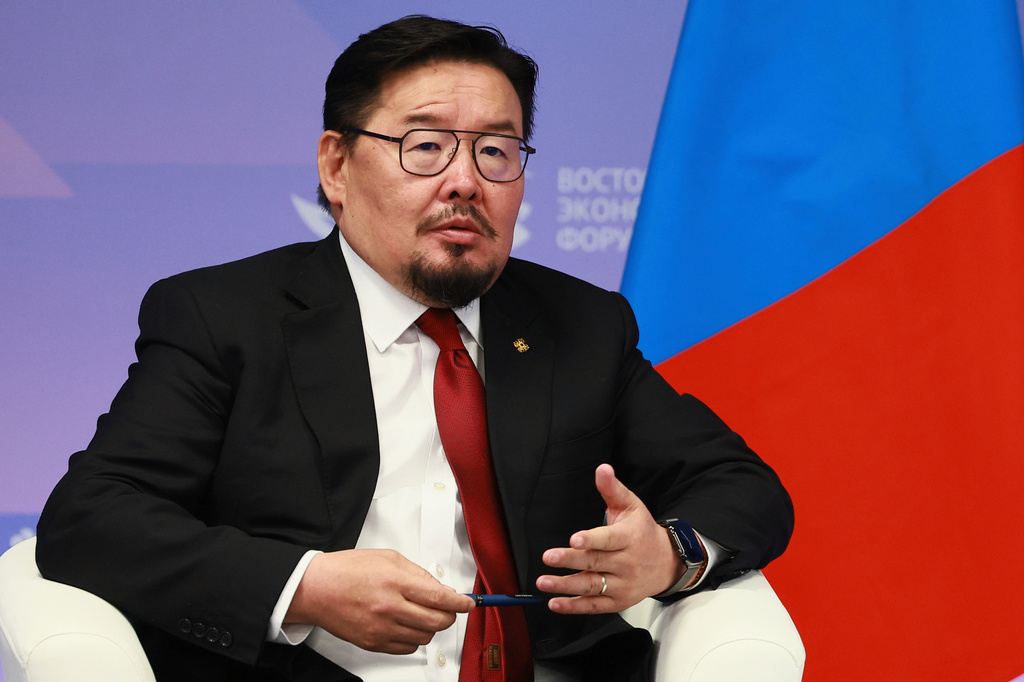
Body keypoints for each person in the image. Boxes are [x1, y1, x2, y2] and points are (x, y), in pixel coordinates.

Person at [35, 15, 793, 682]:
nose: (465, 181)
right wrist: (304, 587)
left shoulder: (580, 324)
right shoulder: (225, 318)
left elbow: (742, 486)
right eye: (425, 146)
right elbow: (91, 519)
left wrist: (670, 553)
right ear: (336, 166)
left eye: (496, 151)